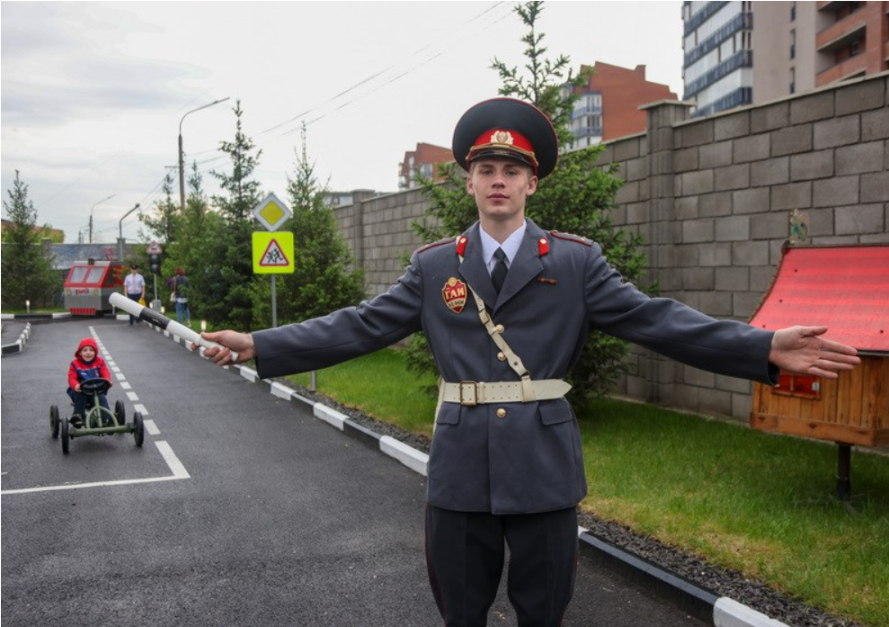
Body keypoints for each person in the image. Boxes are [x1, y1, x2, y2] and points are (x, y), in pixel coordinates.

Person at [197, 98, 860, 627]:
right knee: (461, 610)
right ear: (467, 180)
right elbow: (363, 325)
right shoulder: (434, 266)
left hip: (543, 468)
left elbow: (654, 319)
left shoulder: (573, 262)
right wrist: (263, 343)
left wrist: (759, 345)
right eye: (485, 169)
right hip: (459, 472)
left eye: (510, 170)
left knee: (543, 611)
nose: (497, 180)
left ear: (530, 181)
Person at [67, 337, 113, 428]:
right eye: (85, 350)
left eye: (91, 350)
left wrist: (107, 379)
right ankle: (78, 416)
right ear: (80, 352)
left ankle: (106, 418)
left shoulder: (99, 362)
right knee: (80, 396)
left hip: (96, 389)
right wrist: (75, 385)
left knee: (102, 399)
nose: (88, 352)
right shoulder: (75, 364)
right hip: (81, 389)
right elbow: (71, 377)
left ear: (95, 352)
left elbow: (105, 371)